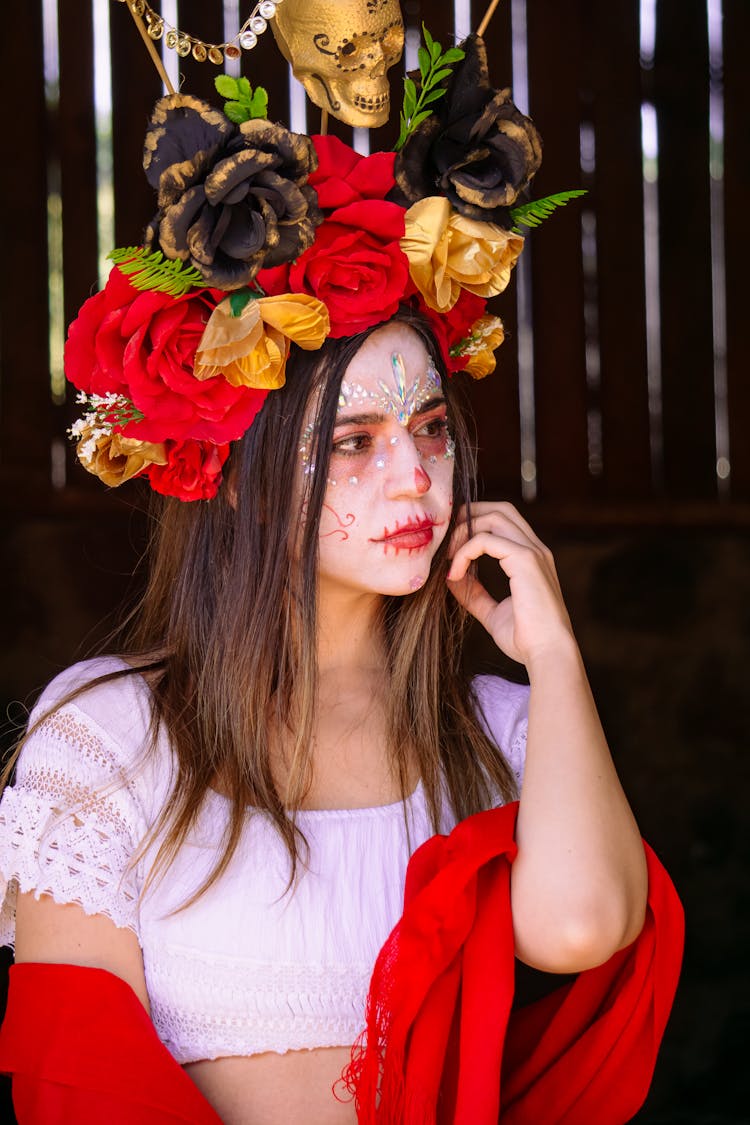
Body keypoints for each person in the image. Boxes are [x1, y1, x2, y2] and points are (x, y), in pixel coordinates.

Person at [0, 29, 681, 1125]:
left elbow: (587, 926)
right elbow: (77, 1074)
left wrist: (553, 655)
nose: (414, 477)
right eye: (355, 441)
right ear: (233, 473)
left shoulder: (502, 732)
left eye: (429, 429)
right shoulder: (105, 736)